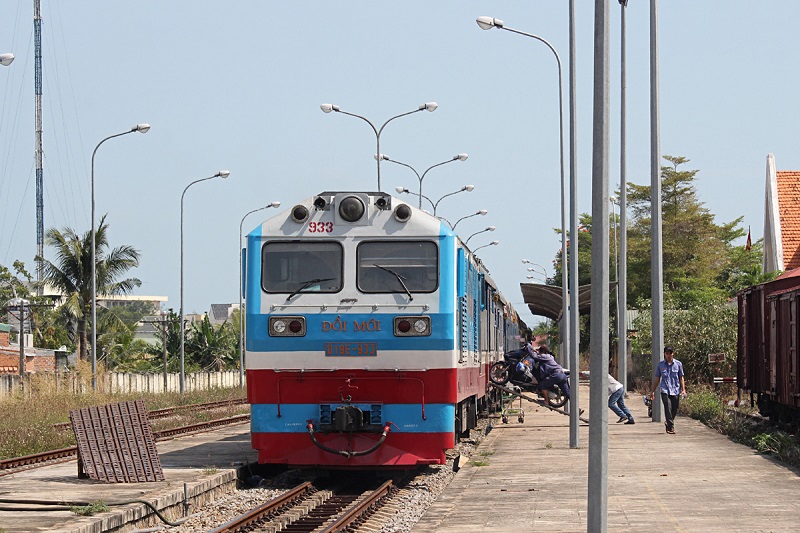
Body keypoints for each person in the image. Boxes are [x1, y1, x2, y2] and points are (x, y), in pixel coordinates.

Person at [650, 346, 686, 434]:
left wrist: (683, 389)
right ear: (664, 354)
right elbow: (657, 378)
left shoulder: (678, 364)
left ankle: (668, 422)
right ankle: (671, 427)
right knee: (667, 407)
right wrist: (652, 391)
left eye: (670, 353)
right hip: (665, 390)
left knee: (674, 408)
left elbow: (681, 377)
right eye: (667, 353)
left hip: (675, 389)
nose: (669, 355)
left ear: (673, 353)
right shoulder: (661, 365)